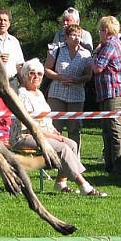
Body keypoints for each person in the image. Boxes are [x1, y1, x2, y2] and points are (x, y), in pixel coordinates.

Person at [13, 58, 107, 196]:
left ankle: (60, 183)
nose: (36, 77)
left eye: (39, 74)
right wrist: (52, 136)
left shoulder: (39, 94)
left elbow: (45, 118)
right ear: (25, 75)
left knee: (72, 144)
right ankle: (84, 185)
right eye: (32, 73)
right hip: (24, 136)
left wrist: (53, 131)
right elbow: (29, 125)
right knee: (62, 147)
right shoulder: (21, 94)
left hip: (43, 134)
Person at [44, 22, 93, 151]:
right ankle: (53, 156)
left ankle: (74, 158)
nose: (77, 38)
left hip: (76, 95)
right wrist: (60, 77)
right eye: (73, 35)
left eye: (79, 35)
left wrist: (77, 80)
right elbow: (47, 70)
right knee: (55, 127)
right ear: (66, 37)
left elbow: (89, 75)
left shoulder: (86, 54)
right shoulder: (57, 50)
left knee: (74, 128)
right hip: (57, 94)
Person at [93, 15, 121, 175]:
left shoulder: (109, 44)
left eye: (100, 30)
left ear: (105, 30)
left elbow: (97, 68)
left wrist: (93, 55)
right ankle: (110, 165)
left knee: (115, 129)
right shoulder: (117, 43)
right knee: (107, 130)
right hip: (109, 93)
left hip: (114, 93)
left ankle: (119, 167)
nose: (99, 33)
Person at [0, 8, 25, 86]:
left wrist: (23, 84)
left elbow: (19, 65)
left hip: (12, 83)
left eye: (5, 20)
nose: (2, 23)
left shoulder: (14, 41)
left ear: (9, 23)